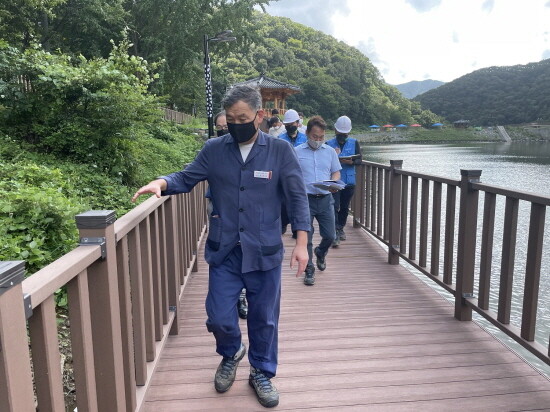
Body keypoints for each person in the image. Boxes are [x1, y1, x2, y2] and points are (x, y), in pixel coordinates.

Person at [132, 84, 310, 408]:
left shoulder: (280, 151)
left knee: (264, 318)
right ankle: (231, 352)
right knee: (218, 316)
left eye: (241, 117)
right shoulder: (214, 149)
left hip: (264, 250)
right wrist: (160, 183)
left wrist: (302, 243)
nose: (235, 123)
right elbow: (186, 177)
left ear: (258, 116)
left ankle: (262, 372)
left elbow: (298, 198)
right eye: (230, 118)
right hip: (225, 248)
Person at [295, 116, 341, 286]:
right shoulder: (297, 151)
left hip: (325, 198)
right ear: (307, 134)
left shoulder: (329, 151)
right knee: (306, 235)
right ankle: (309, 269)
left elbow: (336, 172)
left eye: (321, 137)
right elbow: (291, 174)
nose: (318, 140)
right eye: (315, 137)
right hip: (305, 199)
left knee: (330, 235)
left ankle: (321, 252)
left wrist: (334, 183)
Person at [213, 110, 248, 319]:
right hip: (220, 208)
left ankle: (241, 297)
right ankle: (233, 299)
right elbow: (190, 175)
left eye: (226, 126)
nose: (224, 129)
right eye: (220, 127)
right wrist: (164, 183)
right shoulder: (214, 148)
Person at [326, 115, 363, 247]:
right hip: (335, 181)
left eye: (344, 133)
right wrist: (334, 158)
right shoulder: (329, 144)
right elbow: (323, 162)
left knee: (344, 207)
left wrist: (351, 161)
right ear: (336, 131)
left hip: (349, 181)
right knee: (334, 206)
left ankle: (340, 228)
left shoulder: (354, 143)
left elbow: (360, 160)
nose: (342, 135)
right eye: (340, 133)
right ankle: (335, 231)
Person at [278, 109, 308, 237]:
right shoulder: (280, 139)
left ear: (298, 123)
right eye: (288, 124)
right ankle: (284, 222)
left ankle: (297, 229)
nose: (290, 126)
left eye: (293, 123)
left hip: (300, 175)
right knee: (284, 202)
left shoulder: (305, 138)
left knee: (298, 201)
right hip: (284, 175)